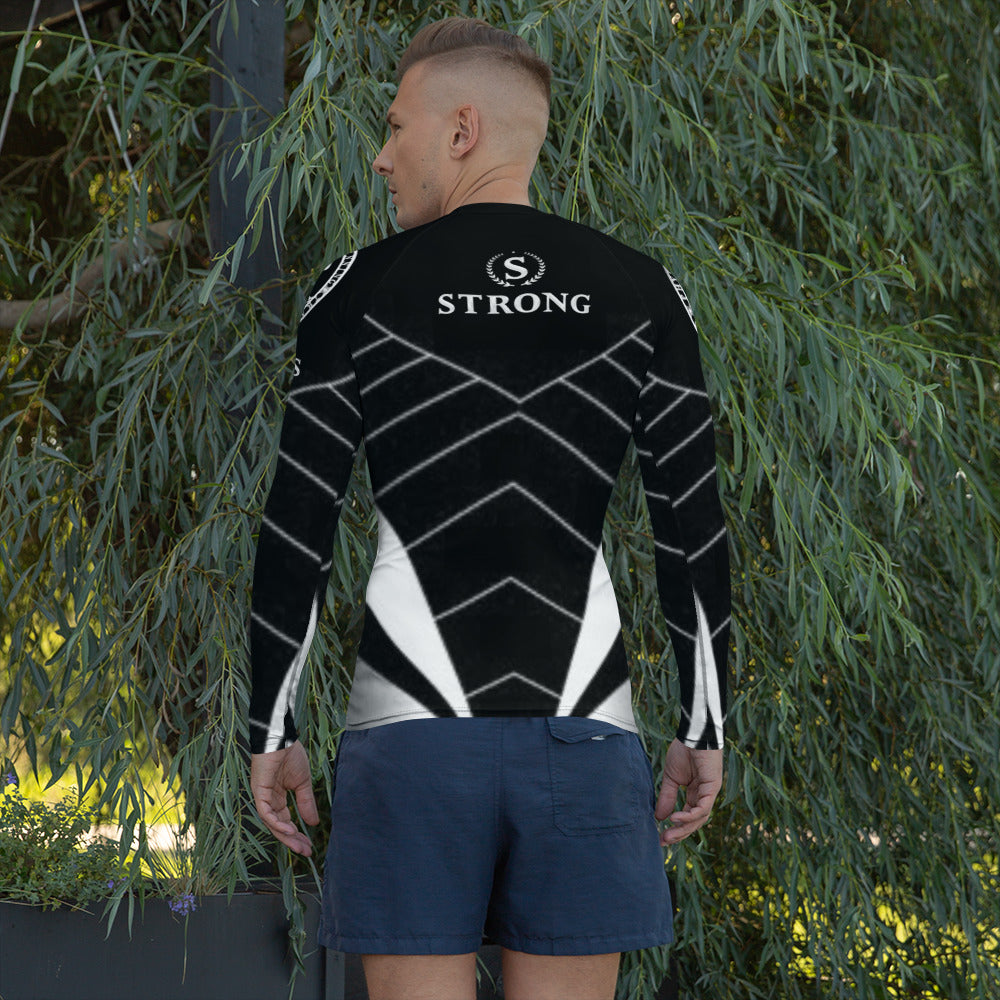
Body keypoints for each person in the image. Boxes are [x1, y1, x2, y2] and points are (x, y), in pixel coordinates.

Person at [246, 16, 730, 1000]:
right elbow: (691, 525)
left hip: (411, 735)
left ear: (461, 130)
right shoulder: (641, 289)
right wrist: (705, 723)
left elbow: (298, 527)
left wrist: (270, 728)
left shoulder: (358, 288)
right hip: (584, 731)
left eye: (396, 127)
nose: (381, 157)